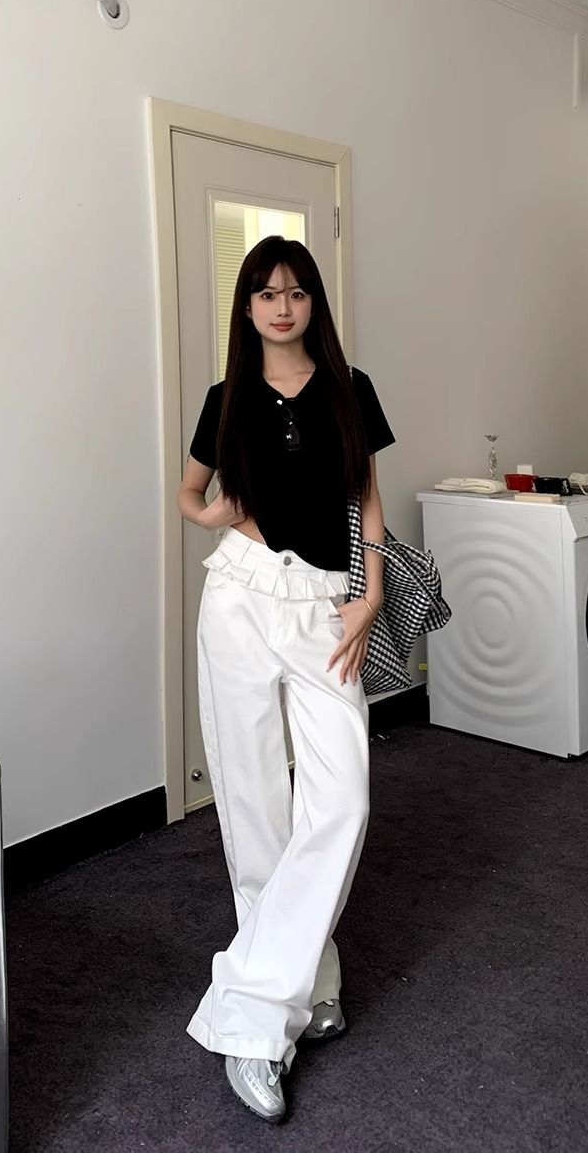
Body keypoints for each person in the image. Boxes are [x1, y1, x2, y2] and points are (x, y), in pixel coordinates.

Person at [176, 235, 395, 1123]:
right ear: (247, 306)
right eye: (266, 293)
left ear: (313, 303)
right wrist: (216, 512)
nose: (281, 306)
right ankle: (302, 994)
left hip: (322, 605)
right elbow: (187, 496)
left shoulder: (350, 389)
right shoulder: (225, 399)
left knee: (342, 800)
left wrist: (371, 592)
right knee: (255, 804)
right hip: (238, 595)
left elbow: (367, 496)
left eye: (296, 292)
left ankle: (252, 1009)